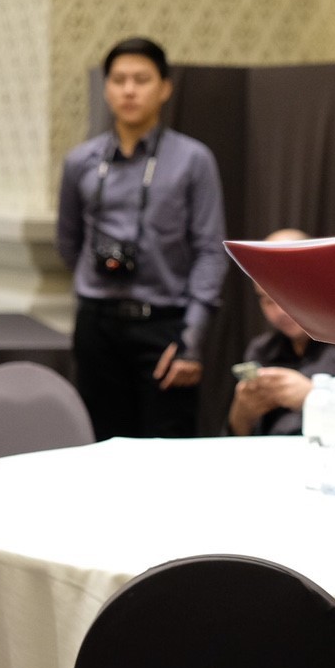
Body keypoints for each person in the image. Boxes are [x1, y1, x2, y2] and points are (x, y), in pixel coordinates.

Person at [56, 37, 227, 439]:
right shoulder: (80, 161)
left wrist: (191, 338)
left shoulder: (193, 160)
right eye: (119, 80)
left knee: (166, 452)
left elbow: (210, 251)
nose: (129, 90)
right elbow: (68, 242)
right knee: (99, 445)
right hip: (97, 326)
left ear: (164, 88)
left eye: (141, 79)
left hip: (164, 326)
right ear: (106, 88)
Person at [226, 229, 335, 436]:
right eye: (268, 300)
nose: (280, 311)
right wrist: (242, 413)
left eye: (287, 294)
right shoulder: (262, 350)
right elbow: (237, 439)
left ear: (317, 284)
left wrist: (313, 397)